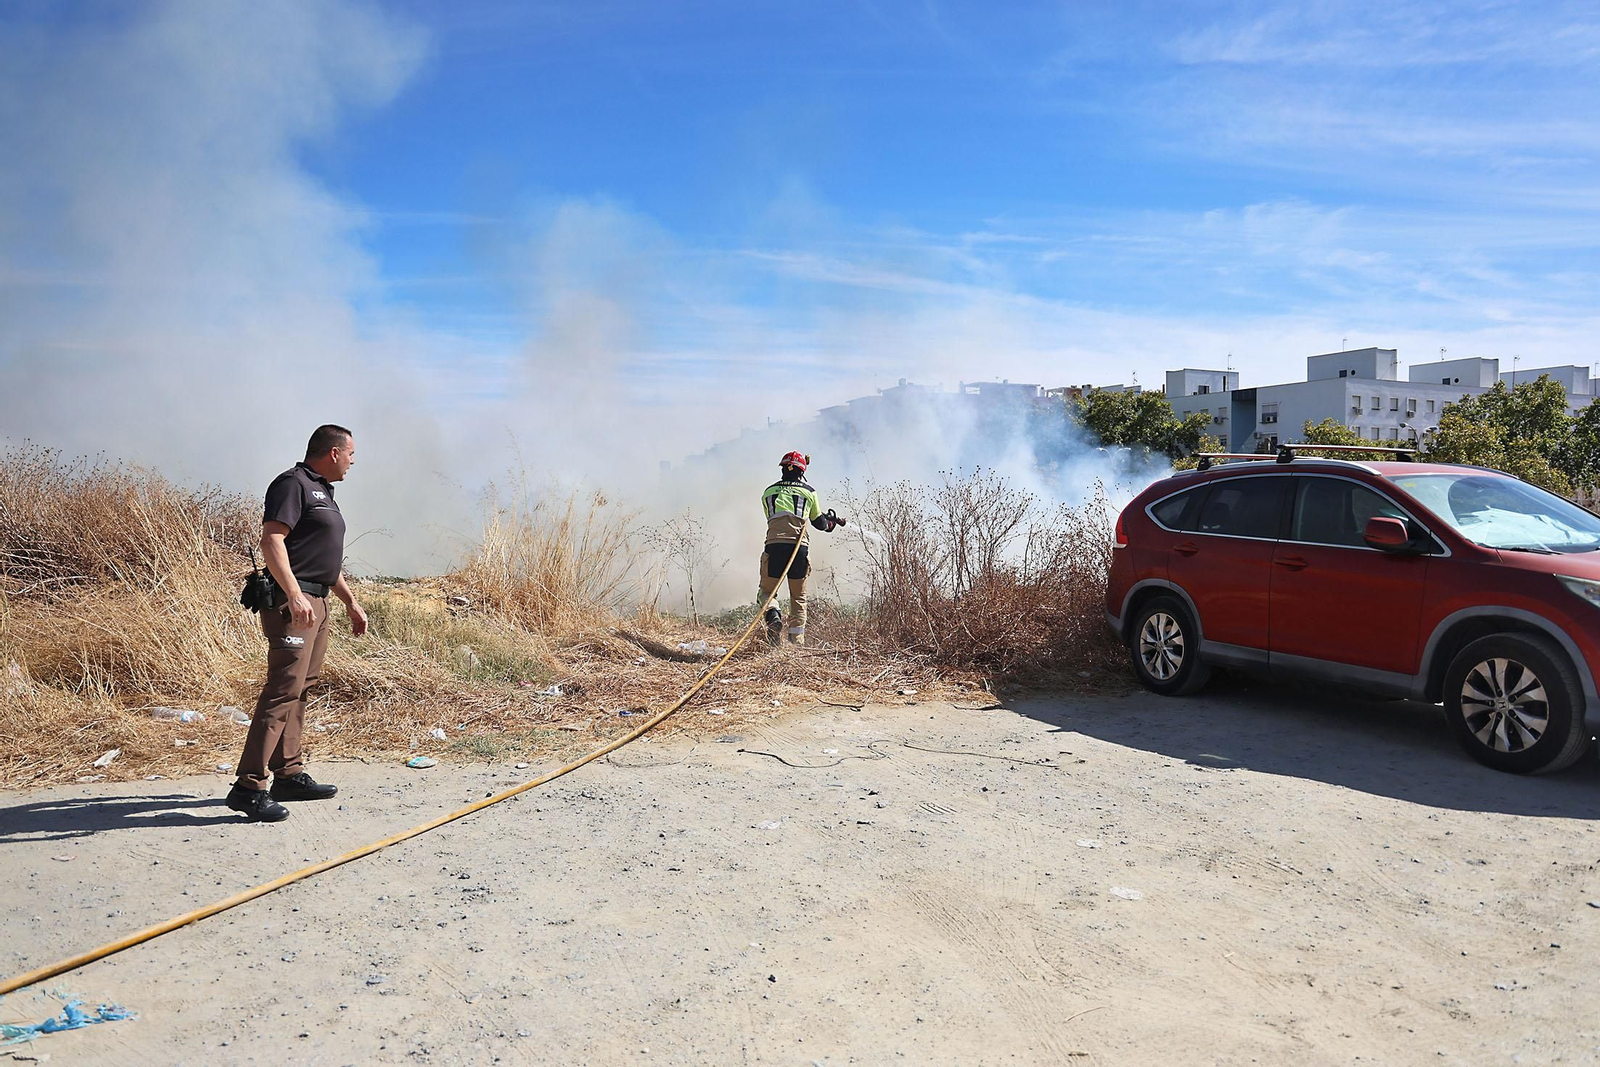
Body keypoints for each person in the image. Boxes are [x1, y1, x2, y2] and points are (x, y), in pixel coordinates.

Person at [226, 425, 369, 823]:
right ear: (334, 452)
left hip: (317, 601)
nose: (353, 461)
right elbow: (272, 540)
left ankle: (288, 774)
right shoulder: (293, 484)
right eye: (351, 453)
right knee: (282, 690)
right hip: (295, 605)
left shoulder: (324, 492)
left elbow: (323, 559)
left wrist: (351, 602)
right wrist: (293, 594)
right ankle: (249, 787)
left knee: (301, 688)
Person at [758, 451, 843, 646]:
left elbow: (775, 516)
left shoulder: (768, 492)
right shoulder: (809, 492)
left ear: (783, 469)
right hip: (799, 549)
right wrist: (830, 524)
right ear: (802, 471)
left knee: (767, 592)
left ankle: (773, 616)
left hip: (774, 546)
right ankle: (796, 643)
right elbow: (819, 522)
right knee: (798, 598)